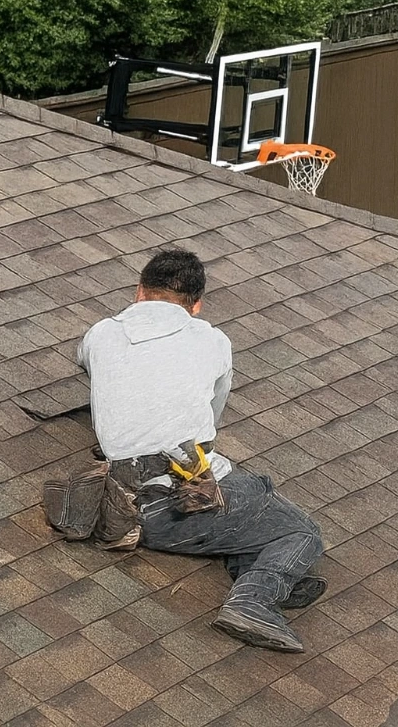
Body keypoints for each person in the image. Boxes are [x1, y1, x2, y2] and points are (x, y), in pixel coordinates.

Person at [77, 248, 325, 653]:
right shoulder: (212, 341)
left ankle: (256, 566)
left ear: (139, 292)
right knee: (301, 531)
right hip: (174, 504)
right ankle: (254, 599)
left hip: (117, 500)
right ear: (196, 305)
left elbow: (88, 363)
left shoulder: (101, 332)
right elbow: (210, 424)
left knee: (255, 510)